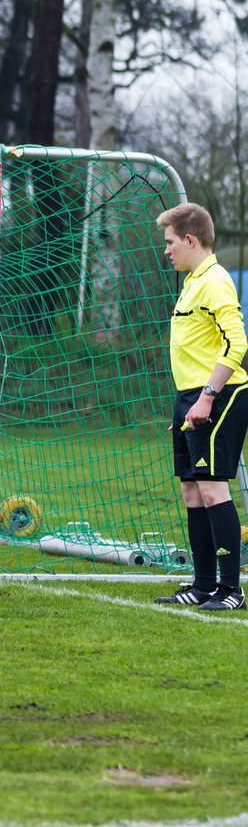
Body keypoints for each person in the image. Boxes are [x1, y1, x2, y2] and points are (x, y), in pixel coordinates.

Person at [154, 202, 247, 611]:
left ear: (190, 240)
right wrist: (187, 404)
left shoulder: (215, 281)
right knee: (192, 491)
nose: (166, 250)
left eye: (170, 242)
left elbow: (237, 343)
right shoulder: (191, 281)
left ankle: (232, 589)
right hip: (190, 398)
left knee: (212, 490)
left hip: (219, 396)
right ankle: (203, 585)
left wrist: (207, 396)